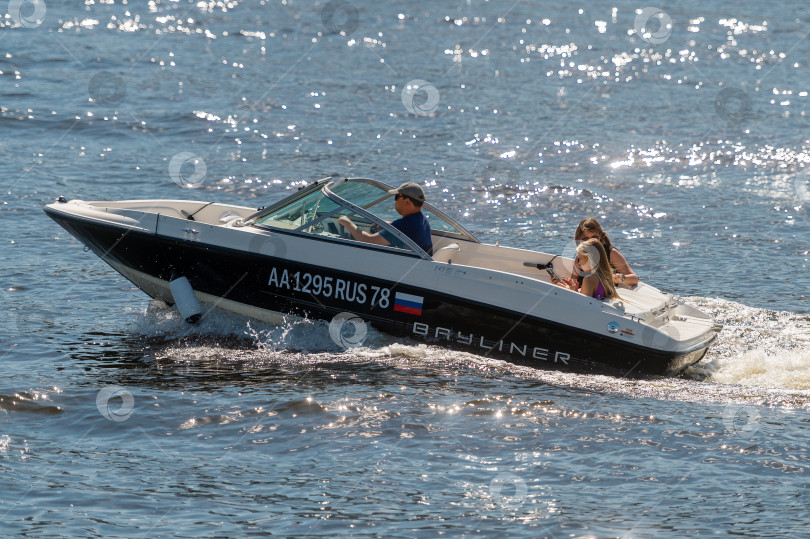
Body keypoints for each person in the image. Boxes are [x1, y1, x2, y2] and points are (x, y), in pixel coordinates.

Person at [337, 182, 433, 255]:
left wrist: (347, 222)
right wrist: (388, 226)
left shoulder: (403, 225)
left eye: (397, 197)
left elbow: (368, 241)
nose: (394, 201)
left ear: (407, 201)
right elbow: (405, 233)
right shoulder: (422, 220)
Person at [574, 217, 638, 286]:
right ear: (579, 239)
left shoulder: (611, 253)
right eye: (585, 239)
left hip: (607, 294)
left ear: (600, 236)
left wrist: (620, 278)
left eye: (594, 237)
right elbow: (573, 280)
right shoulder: (580, 256)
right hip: (586, 293)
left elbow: (634, 279)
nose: (590, 242)